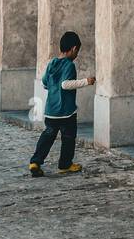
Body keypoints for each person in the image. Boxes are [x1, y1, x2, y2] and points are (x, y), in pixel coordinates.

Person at [29, 32, 95, 176]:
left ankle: (36, 161)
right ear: (73, 48)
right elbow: (65, 84)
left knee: (48, 136)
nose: (77, 54)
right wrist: (86, 81)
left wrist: (53, 87)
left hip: (51, 110)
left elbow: (45, 82)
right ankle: (65, 164)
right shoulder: (69, 65)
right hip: (66, 111)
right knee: (68, 138)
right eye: (77, 51)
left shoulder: (52, 63)